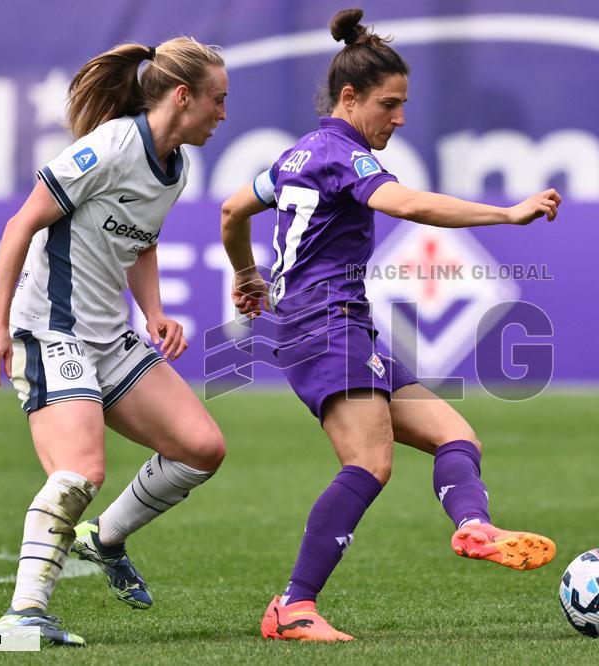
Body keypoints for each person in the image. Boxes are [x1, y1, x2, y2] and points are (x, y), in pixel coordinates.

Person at [220, 8, 563, 643]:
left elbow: (232, 208)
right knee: (369, 461)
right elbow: (407, 203)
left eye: (403, 105)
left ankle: (473, 526)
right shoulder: (342, 156)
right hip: (325, 324)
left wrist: (248, 275)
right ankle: (293, 607)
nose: (399, 119)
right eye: (390, 104)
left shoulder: (299, 154)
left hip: (333, 323)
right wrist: (507, 215)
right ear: (349, 98)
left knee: (455, 435)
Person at [0, 37, 228, 646]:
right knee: (79, 471)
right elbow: (22, 223)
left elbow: (139, 241)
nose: (224, 114)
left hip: (108, 337)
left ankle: (105, 539)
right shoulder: (111, 147)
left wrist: (156, 312)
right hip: (51, 329)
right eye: (218, 101)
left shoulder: (176, 165)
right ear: (183, 97)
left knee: (201, 448)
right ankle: (24, 614)